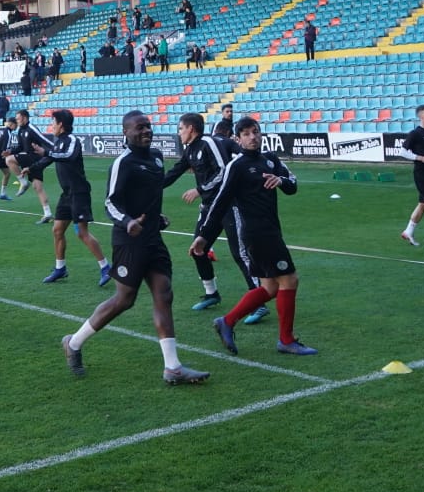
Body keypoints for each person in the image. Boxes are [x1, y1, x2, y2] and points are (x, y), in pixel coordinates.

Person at [59, 111, 210, 385]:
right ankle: (74, 342)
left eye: (148, 127)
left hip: (152, 238)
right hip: (129, 240)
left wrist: (156, 217)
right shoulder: (123, 162)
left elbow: (150, 197)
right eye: (140, 127)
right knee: (124, 300)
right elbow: (110, 203)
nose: (146, 131)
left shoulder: (155, 158)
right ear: (125, 133)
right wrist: (128, 222)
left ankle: (173, 367)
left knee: (164, 293)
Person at [195, 116, 317, 357]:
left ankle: (227, 321)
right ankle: (286, 340)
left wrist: (280, 180)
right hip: (256, 233)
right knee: (289, 280)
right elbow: (220, 202)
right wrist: (203, 236)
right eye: (247, 134)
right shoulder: (237, 166)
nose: (253, 137)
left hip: (271, 229)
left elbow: (292, 186)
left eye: (256, 132)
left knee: (270, 287)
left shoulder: (270, 160)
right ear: (237, 139)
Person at [162, 112, 258, 313]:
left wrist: (199, 189)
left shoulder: (208, 142)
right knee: (198, 250)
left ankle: (258, 301)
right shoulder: (190, 150)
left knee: (240, 254)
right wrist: (151, 187)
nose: (179, 133)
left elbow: (223, 171)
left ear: (191, 128)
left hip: (228, 205)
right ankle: (211, 294)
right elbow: (175, 172)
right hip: (209, 209)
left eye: (180, 128)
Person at [28, 109, 112, 287]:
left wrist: (46, 153)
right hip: (67, 194)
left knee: (82, 233)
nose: (51, 126)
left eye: (53, 123)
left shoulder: (72, 140)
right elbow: (48, 159)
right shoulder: (58, 143)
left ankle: (105, 267)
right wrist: (33, 167)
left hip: (79, 192)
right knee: (57, 230)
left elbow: (68, 156)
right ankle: (60, 268)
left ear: (61, 124)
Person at [396, 105, 424, 248]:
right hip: (422, 172)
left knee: (423, 204)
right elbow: (402, 152)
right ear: (420, 116)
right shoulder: (415, 133)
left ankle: (408, 231)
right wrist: (420, 158)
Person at [6, 108, 55, 225]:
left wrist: (56, 149)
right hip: (28, 158)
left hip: (34, 158)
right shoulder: (20, 130)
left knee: (9, 160)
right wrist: (10, 151)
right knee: (38, 187)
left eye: (18, 119)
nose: (16, 121)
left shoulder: (31, 128)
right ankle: (47, 213)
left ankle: (23, 182)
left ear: (24, 117)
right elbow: (20, 147)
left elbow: (44, 140)